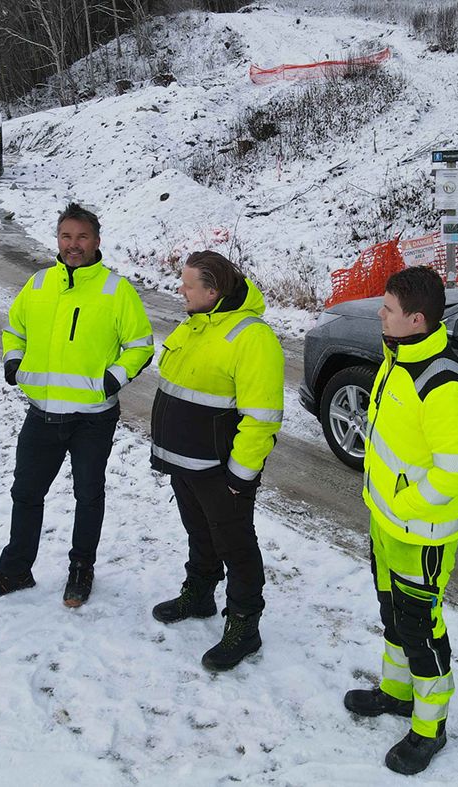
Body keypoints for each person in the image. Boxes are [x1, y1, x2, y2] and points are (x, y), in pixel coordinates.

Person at [0, 203, 153, 608]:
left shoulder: (116, 290)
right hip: (42, 414)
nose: (73, 245)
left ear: (97, 241)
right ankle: (15, 570)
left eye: (82, 237)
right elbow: (13, 328)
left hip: (93, 419)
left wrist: (112, 380)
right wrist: (13, 360)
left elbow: (140, 346)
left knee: (88, 496)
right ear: (57, 240)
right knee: (26, 493)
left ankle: (81, 569)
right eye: (66, 236)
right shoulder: (37, 284)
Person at [342, 266, 458, 775]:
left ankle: (429, 728)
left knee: (422, 631)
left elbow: (454, 477)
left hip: (420, 535)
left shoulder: (446, 386)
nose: (379, 314)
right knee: (393, 617)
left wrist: (402, 506)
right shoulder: (396, 359)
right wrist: (385, 508)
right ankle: (397, 694)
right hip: (387, 527)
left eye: (387, 309)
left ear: (416, 319)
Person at [149, 250, 284, 672]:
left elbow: (261, 418)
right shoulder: (198, 323)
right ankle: (200, 593)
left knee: (237, 546)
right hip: (185, 463)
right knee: (199, 533)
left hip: (220, 471)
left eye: (188, 285)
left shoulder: (252, 337)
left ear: (213, 291)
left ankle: (244, 625)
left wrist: (240, 477)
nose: (180, 290)